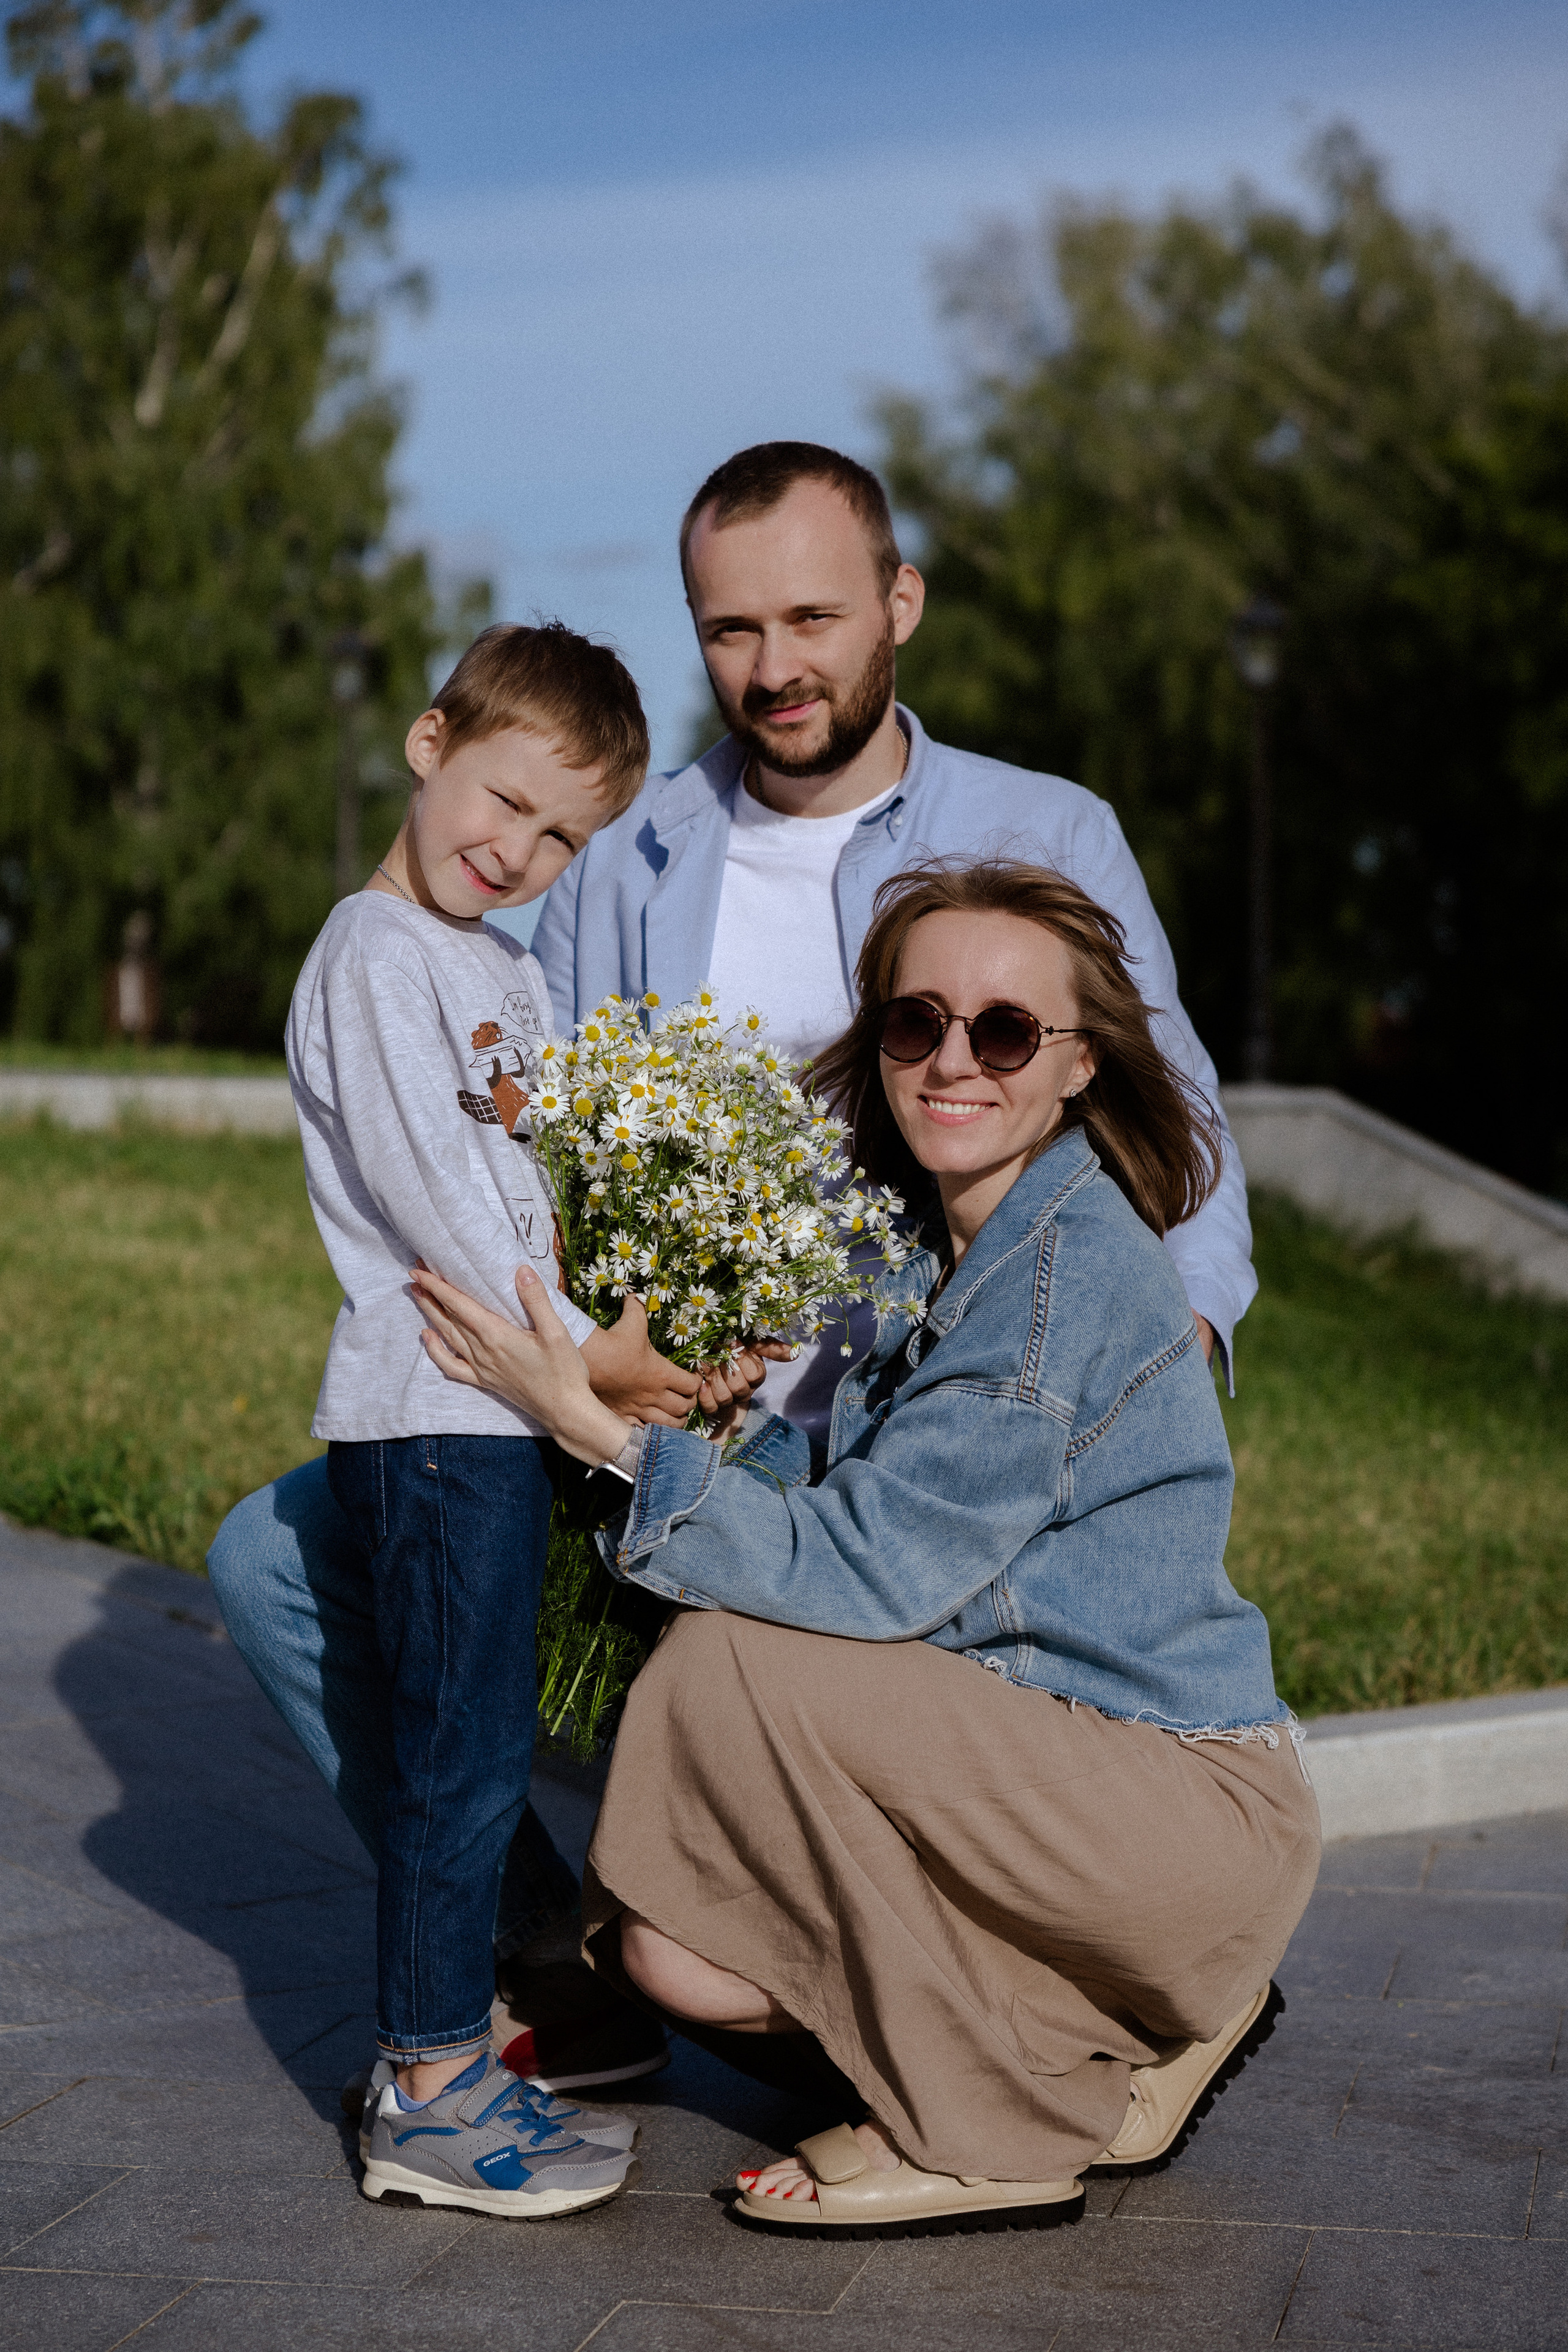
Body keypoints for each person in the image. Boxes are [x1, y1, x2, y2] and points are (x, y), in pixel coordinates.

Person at [209, 434, 1254, 2100]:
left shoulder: (1042, 828)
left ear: (899, 604)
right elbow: (538, 1121)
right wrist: (596, 1358)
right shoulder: (619, 846)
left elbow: (1172, 1123)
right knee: (273, 1555)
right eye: (730, 630)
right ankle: (539, 1947)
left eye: (814, 619)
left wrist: (1160, 1375)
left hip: (906, 1399)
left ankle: (913, 1992)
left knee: (753, 1681)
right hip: (651, 1372)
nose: (775, 668)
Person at [409, 858, 1321, 2238]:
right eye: (916, 1022)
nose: (953, 1059)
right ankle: (1103, 2033)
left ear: (1076, 1066)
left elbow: (862, 1572)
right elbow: (796, 1474)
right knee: (675, 1949)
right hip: (1018, 1772)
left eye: (1004, 1032)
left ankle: (990, 2131)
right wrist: (699, 1414)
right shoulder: (895, 1255)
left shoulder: (1060, 1282)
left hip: (1168, 1804)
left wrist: (591, 1430)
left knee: (723, 1669)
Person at [263, 622, 681, 2220]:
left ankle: (461, 2056)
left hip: (500, 1406)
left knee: (485, 1749)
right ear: (431, 744)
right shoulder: (373, 954)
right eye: (503, 803)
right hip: (439, 1410)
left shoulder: (494, 961)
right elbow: (444, 1207)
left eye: (561, 838)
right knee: (457, 1759)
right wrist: (586, 1372)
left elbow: (523, 1172)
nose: (518, 852)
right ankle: (425, 2085)